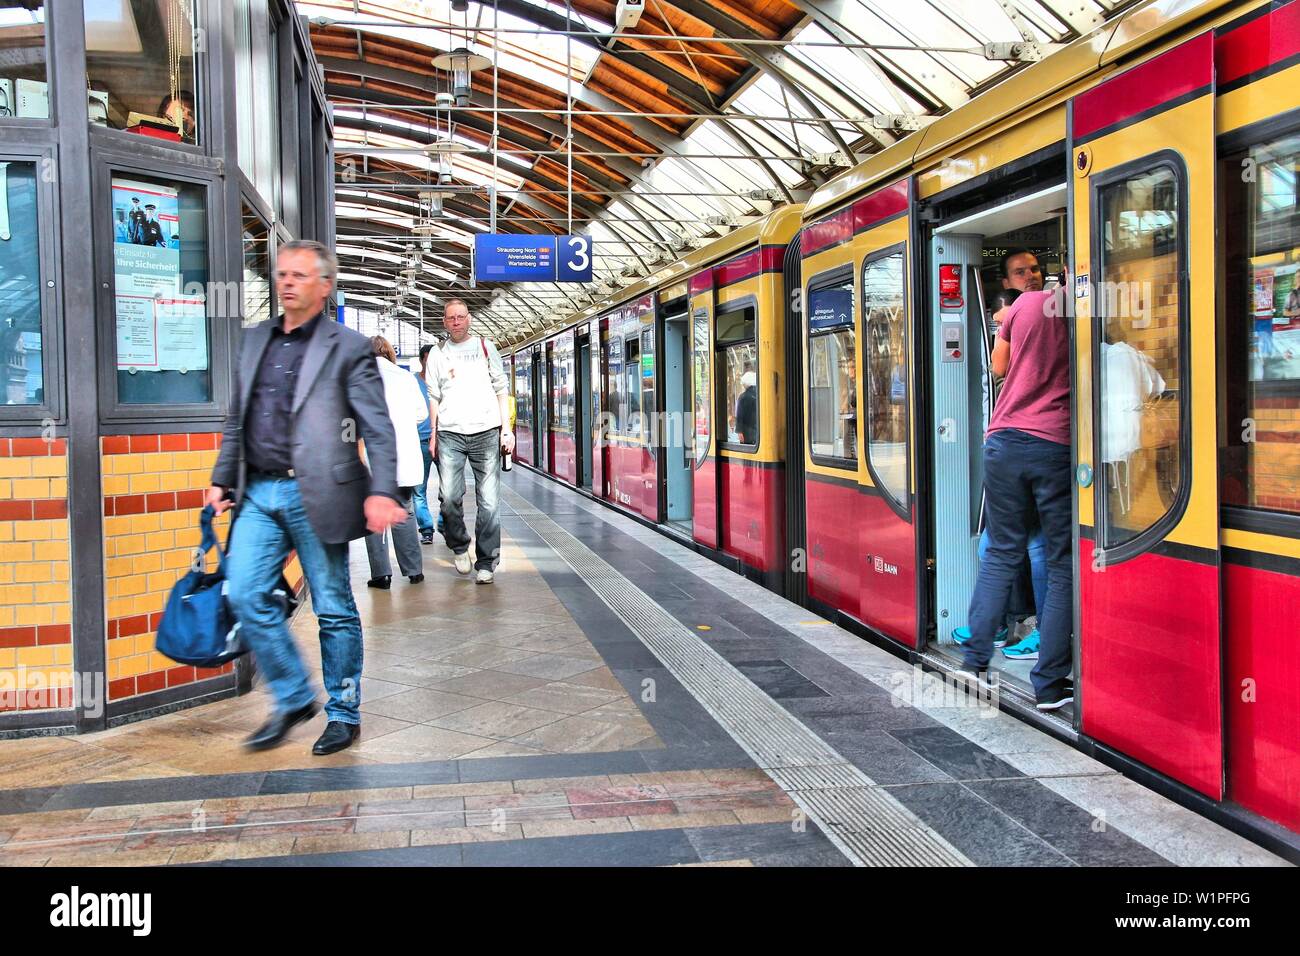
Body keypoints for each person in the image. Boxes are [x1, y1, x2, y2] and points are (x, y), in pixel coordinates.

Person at [207, 240, 406, 755]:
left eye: (299, 275)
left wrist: (382, 489)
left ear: (324, 286)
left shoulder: (349, 346)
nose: (287, 282)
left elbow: (377, 426)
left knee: (334, 607)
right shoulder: (253, 342)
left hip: (318, 491)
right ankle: (295, 695)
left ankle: (343, 713)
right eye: (281, 274)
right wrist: (222, 478)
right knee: (247, 593)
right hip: (260, 491)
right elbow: (237, 419)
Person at [962, 283, 1074, 711]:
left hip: (1004, 440)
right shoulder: (1085, 305)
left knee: (1002, 554)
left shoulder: (1023, 304)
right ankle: (1048, 684)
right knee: (1061, 562)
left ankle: (973, 663)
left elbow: (998, 366)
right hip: (1053, 443)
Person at [426, 298, 514, 584]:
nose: (456, 322)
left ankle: (487, 560)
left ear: (469, 319)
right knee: (449, 497)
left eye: (461, 317)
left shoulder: (486, 348)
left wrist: (506, 429)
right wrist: (434, 433)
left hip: (487, 431)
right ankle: (460, 545)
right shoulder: (438, 354)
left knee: (489, 501)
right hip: (450, 433)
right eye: (451, 318)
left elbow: (502, 388)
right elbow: (434, 397)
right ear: (444, 322)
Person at [364, 335, 427, 589]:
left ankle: (381, 575)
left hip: (372, 459)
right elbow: (421, 414)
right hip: (403, 460)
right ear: (389, 353)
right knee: (404, 511)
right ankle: (414, 571)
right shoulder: (406, 378)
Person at [412, 342, 442, 544]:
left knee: (450, 489)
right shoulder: (411, 382)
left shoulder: (444, 381)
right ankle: (426, 529)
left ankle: (444, 523)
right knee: (418, 490)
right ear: (422, 360)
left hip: (444, 440)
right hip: (419, 442)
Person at [734, 367, 757, 445]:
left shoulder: (743, 397)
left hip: (747, 434)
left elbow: (739, 417)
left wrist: (739, 432)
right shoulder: (760, 395)